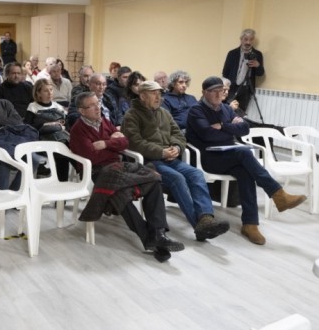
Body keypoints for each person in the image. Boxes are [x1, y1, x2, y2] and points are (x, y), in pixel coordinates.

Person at [186, 76, 307, 245]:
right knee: (244, 153)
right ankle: (278, 194)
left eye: (220, 91)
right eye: (213, 92)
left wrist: (223, 126)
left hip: (229, 154)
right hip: (209, 158)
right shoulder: (196, 111)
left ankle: (250, 224)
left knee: (245, 172)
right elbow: (207, 134)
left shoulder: (226, 109)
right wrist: (229, 128)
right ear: (204, 93)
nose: (218, 95)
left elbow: (244, 129)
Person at [71, 92, 184, 262]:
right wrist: (114, 143)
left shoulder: (105, 122)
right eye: (92, 105)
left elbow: (125, 143)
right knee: (119, 193)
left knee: (153, 180)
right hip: (96, 171)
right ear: (81, 110)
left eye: (98, 103)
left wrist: (106, 144)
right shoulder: (78, 130)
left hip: (118, 166)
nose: (97, 108)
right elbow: (92, 156)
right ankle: (150, 238)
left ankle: (158, 232)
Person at [123, 80, 230, 241]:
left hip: (170, 158)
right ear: (143, 96)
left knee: (196, 174)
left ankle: (206, 217)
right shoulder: (131, 115)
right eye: (154, 94)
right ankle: (199, 225)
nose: (158, 97)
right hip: (148, 161)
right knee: (177, 178)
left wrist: (177, 148)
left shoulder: (164, 113)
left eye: (160, 94)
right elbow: (135, 142)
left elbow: (178, 134)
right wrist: (161, 152)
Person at [25, 78, 70, 180]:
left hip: (61, 138)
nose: (49, 93)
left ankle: (66, 180)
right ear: (38, 93)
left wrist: (50, 125)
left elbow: (65, 124)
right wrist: (52, 125)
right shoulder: (33, 107)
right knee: (62, 152)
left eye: (51, 89)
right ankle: (61, 182)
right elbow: (30, 127)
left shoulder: (57, 106)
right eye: (46, 90)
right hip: (43, 140)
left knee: (66, 149)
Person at [222, 28, 265, 112]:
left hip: (246, 89)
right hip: (231, 87)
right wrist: (226, 86)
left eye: (251, 39)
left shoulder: (257, 55)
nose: (248, 42)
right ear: (241, 39)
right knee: (228, 109)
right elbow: (225, 72)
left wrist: (258, 65)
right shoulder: (232, 53)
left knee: (241, 112)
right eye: (245, 39)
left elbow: (260, 73)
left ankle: (238, 124)